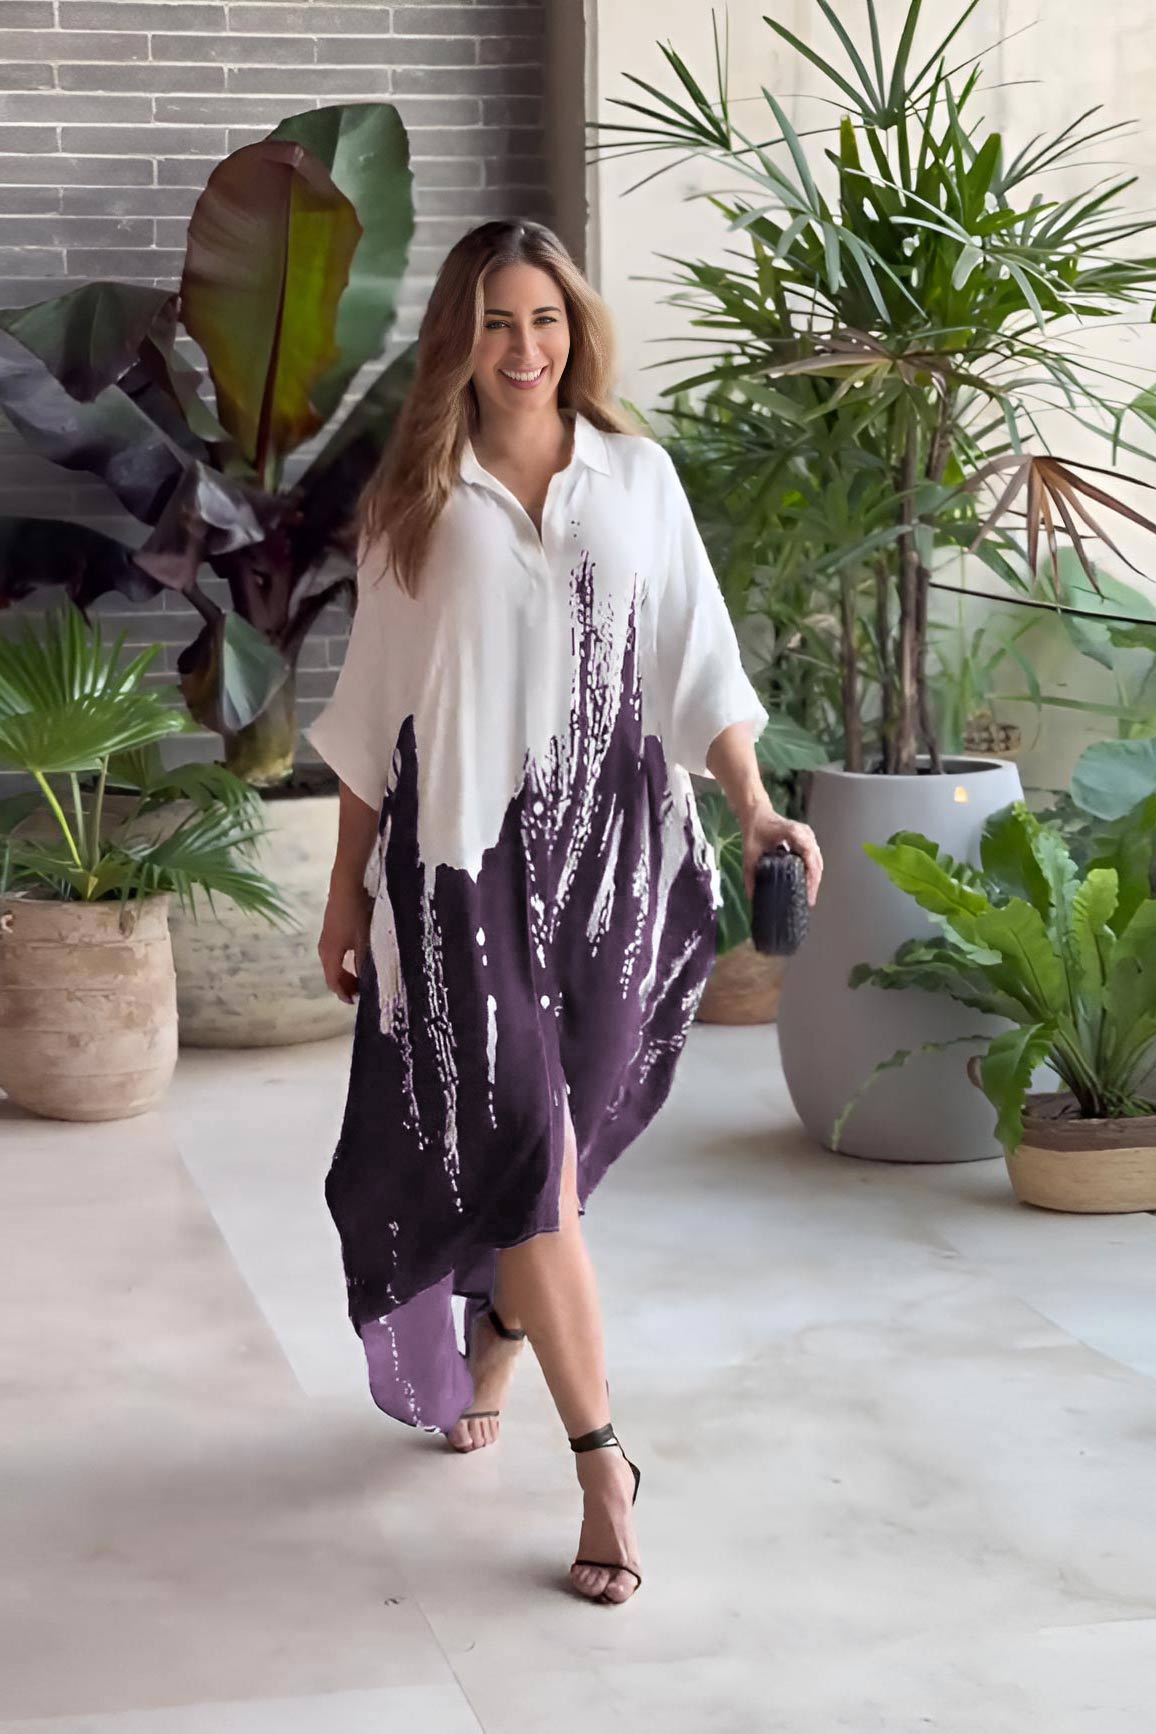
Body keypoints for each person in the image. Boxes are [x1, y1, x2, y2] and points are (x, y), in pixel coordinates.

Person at [308, 219, 823, 1607]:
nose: (523, 347)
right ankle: (604, 1464)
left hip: (612, 865)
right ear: (458, 343)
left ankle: (498, 1325)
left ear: (575, 330)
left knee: (561, 1141)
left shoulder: (635, 477)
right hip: (460, 867)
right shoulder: (417, 499)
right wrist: (348, 887)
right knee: (527, 1137)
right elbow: (372, 708)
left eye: (543, 318)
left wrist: (756, 806)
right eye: (495, 322)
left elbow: (698, 657)